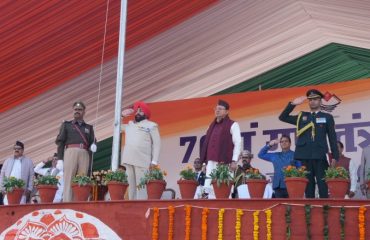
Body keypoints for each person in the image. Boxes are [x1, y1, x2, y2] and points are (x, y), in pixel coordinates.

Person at [279, 89, 339, 198]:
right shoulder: (302, 116)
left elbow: (332, 138)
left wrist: (335, 157)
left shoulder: (327, 117)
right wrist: (293, 104)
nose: (312, 102)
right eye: (310, 99)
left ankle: (324, 211)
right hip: (304, 156)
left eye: (315, 99)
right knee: (308, 188)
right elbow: (282, 117)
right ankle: (310, 212)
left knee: (323, 187)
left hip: (320, 155)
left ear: (320, 101)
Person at [200, 99, 241, 198]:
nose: (217, 111)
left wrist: (234, 160)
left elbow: (238, 143)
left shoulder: (233, 124)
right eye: (216, 108)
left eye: (220, 109)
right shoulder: (211, 126)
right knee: (209, 188)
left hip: (225, 162)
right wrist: (205, 163)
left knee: (224, 189)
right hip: (211, 162)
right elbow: (206, 145)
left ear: (227, 111)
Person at [55, 101, 96, 202]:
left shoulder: (89, 127)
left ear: (84, 112)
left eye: (80, 110)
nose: (77, 111)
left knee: (82, 179)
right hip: (70, 151)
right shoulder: (66, 125)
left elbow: (92, 141)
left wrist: (94, 145)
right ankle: (67, 203)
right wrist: (60, 158)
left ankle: (79, 203)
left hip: (84, 153)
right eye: (75, 110)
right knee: (69, 178)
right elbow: (60, 141)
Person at [121, 101, 161, 200]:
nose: (137, 113)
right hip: (128, 159)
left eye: (140, 111)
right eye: (136, 111)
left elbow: (157, 143)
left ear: (146, 113)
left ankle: (141, 211)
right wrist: (121, 116)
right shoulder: (130, 125)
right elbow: (116, 127)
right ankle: (132, 210)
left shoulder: (151, 125)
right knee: (131, 188)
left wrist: (154, 161)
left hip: (142, 160)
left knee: (141, 188)